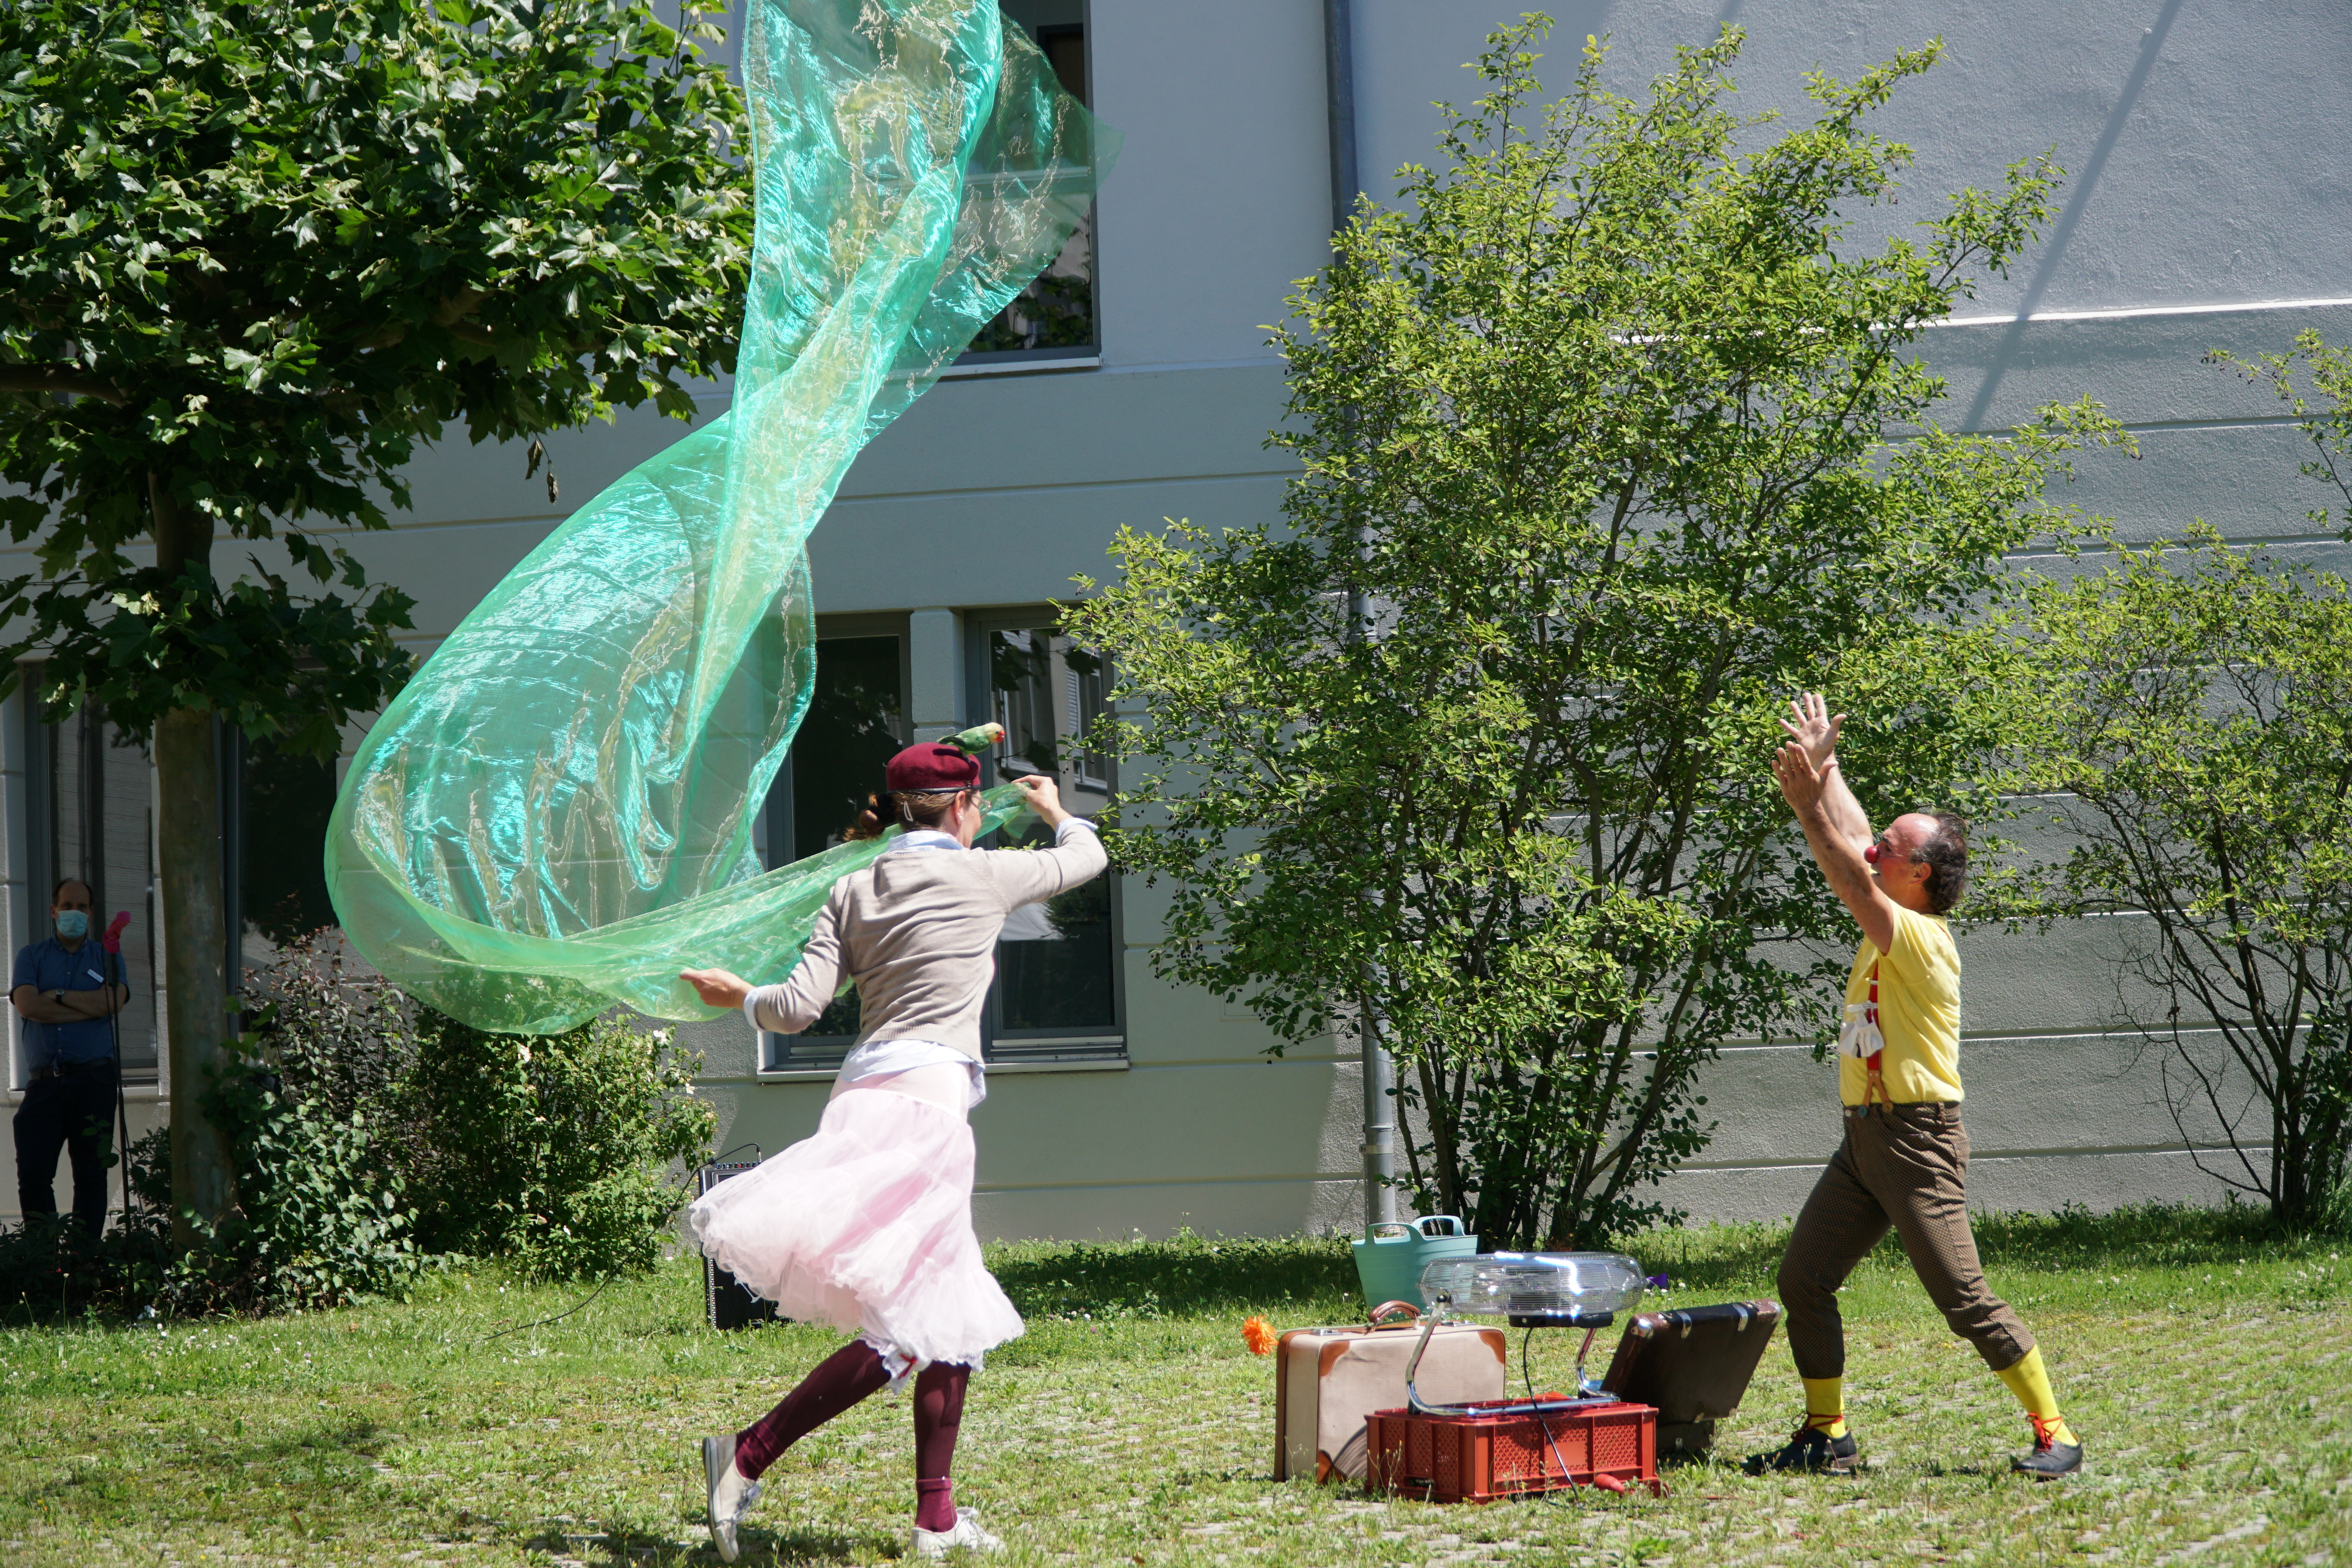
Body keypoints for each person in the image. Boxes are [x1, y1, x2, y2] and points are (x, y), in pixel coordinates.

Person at [677, 740, 1106, 1561]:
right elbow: (1086, 856)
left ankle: (934, 1518)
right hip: (927, 1114)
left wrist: (741, 995)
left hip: (866, 1098)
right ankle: (746, 1452)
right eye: (978, 805)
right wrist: (1053, 810)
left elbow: (796, 1010)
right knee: (909, 1329)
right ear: (962, 807)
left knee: (945, 1317)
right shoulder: (985, 874)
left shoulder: (852, 883)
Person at [1755, 693, 2082, 1481]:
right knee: (1804, 1276)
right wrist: (1825, 766)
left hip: (1917, 1140)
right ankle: (1828, 1436)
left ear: (1920, 873)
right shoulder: (1895, 896)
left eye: (1891, 850)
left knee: (1963, 1296)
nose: (1875, 852)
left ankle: (2057, 1433)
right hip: (1867, 1138)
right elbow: (1861, 837)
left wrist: (1806, 808)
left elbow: (1846, 865)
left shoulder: (1919, 934)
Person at [12, 877, 130, 1238]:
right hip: (45, 1082)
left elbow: (113, 1002)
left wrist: (59, 995)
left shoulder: (106, 956)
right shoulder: (31, 956)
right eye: (67, 907)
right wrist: (89, 1008)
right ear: (53, 911)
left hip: (94, 1081)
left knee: (92, 1174)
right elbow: (29, 1005)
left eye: (81, 907)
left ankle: (85, 1263)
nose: (74, 914)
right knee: (33, 1174)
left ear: (91, 913)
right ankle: (44, 1262)